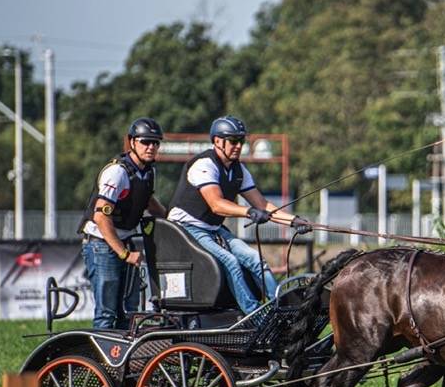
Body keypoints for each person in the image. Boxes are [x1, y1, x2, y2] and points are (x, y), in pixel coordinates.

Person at [167, 116, 309, 314]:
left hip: (213, 229)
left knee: (255, 259)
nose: (238, 146)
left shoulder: (238, 170)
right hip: (187, 228)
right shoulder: (204, 165)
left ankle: (280, 308)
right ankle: (255, 316)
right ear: (217, 141)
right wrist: (249, 212)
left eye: (241, 141)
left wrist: (293, 221)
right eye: (233, 141)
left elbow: (262, 204)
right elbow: (217, 205)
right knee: (230, 261)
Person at [80, 118, 167, 329]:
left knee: (129, 310)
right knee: (107, 312)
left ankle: (123, 358)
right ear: (132, 142)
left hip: (124, 240)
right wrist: (125, 254)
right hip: (102, 243)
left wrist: (171, 218)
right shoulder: (117, 172)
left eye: (155, 142)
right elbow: (101, 217)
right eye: (146, 142)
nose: (151, 147)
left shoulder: (148, 172)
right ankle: (102, 361)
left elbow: (146, 200)